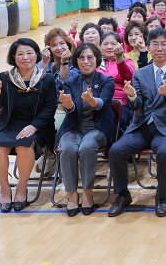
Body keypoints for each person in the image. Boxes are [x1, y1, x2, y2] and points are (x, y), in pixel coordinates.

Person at [108, 28, 166, 218]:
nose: (159, 48)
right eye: (155, 44)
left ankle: (161, 197)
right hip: (142, 125)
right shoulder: (141, 73)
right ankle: (123, 195)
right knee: (116, 150)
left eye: (164, 44)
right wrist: (131, 96)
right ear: (149, 47)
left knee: (165, 152)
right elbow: (137, 104)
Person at [0, 38, 58, 212]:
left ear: (36, 55)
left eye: (29, 53)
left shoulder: (46, 79)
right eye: (20, 54)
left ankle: (20, 189)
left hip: (37, 126)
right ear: (13, 57)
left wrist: (34, 126)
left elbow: (50, 108)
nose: (25, 57)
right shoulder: (4, 77)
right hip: (7, 124)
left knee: (24, 148)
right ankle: (4, 189)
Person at [56, 43, 116, 216]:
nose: (86, 61)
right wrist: (68, 106)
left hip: (98, 128)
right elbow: (70, 110)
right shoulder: (70, 82)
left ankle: (88, 192)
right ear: (76, 61)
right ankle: (72, 195)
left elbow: (102, 104)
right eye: (81, 58)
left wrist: (92, 101)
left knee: (87, 147)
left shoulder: (106, 80)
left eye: (90, 57)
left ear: (97, 60)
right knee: (67, 148)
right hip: (74, 128)